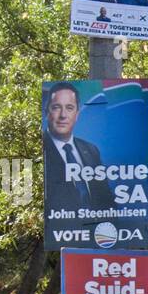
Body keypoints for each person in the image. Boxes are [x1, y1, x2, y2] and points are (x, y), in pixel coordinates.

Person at [43, 82, 112, 213]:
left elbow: (106, 199)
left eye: (69, 108)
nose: (63, 115)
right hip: (60, 231)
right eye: (56, 107)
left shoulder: (91, 150)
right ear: (47, 113)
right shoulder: (42, 149)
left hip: (96, 229)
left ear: (77, 114)